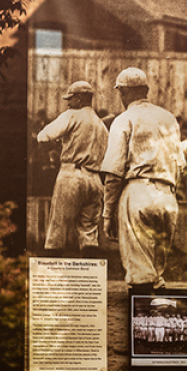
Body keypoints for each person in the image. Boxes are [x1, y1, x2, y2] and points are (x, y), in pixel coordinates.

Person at [99, 67, 186, 294]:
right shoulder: (168, 118)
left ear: (123, 93)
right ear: (146, 90)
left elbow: (114, 173)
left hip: (138, 192)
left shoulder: (124, 119)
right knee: (157, 273)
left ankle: (141, 324)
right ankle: (159, 326)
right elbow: (181, 166)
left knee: (140, 272)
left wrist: (108, 213)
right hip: (167, 194)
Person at [36, 80, 108, 257]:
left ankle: (51, 280)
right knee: (89, 233)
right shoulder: (101, 125)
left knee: (57, 231)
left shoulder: (72, 115)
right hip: (95, 179)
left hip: (71, 175)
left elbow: (43, 136)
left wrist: (57, 146)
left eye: (71, 98)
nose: (68, 102)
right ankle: (91, 279)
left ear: (81, 98)